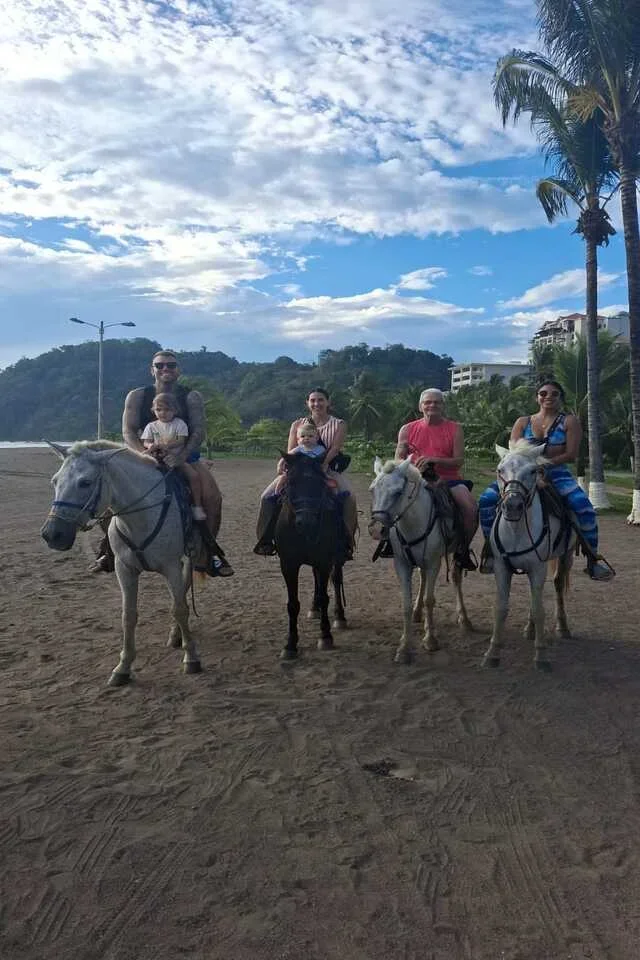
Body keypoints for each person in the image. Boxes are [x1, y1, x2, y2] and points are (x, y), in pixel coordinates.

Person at [91, 349, 233, 576]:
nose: (165, 369)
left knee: (212, 497)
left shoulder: (191, 396)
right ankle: (109, 550)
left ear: (178, 370)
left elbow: (198, 431)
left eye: (171, 365)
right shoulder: (137, 396)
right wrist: (143, 454)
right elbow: (128, 431)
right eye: (160, 365)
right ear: (152, 370)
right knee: (108, 494)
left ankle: (208, 551)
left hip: (183, 454)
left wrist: (181, 456)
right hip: (143, 455)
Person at [478, 379, 614, 581]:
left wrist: (543, 466)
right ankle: (490, 548)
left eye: (554, 394)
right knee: (486, 500)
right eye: (543, 393)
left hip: (557, 473)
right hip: (522, 474)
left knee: (583, 507)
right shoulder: (522, 422)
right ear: (537, 397)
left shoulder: (569, 421)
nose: (548, 397)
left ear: (560, 398)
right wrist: (530, 469)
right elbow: (514, 453)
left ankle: (592, 558)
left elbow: (571, 454)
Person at [254, 388, 357, 557]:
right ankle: (265, 539)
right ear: (307, 403)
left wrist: (323, 465)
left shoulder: (339, 424)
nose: (317, 403)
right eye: (313, 400)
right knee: (266, 496)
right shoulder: (297, 424)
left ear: (328, 402)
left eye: (321, 400)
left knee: (349, 497)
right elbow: (291, 450)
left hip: (326, 469)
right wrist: (285, 466)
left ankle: (346, 541)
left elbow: (335, 448)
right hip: (298, 472)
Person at [393, 387, 478, 571]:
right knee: (389, 502)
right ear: (420, 406)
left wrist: (435, 460)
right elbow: (398, 458)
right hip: (415, 479)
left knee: (470, 508)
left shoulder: (455, 429)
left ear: (443, 405)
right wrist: (414, 465)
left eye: (437, 402)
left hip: (448, 479)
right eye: (428, 402)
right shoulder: (407, 429)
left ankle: (462, 550)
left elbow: (459, 460)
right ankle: (389, 543)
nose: (432, 405)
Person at [141, 393, 206, 522]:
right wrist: (150, 445)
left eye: (167, 409)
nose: (163, 413)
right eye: (159, 409)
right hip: (156, 458)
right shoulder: (151, 426)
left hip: (175, 458)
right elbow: (146, 441)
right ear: (153, 410)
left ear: (175, 410)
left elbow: (180, 441)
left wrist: (165, 445)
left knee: (193, 476)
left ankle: (197, 506)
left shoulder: (179, 424)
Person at [273, 421, 336, 495]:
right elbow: (287, 456)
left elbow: (325, 460)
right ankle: (276, 494)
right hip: (299, 470)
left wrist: (324, 469)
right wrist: (280, 465)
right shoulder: (299, 449)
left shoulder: (321, 449)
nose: (306, 438)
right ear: (298, 439)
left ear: (317, 438)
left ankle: (337, 495)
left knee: (331, 481)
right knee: (283, 477)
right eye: (303, 436)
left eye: (310, 436)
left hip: (315, 470)